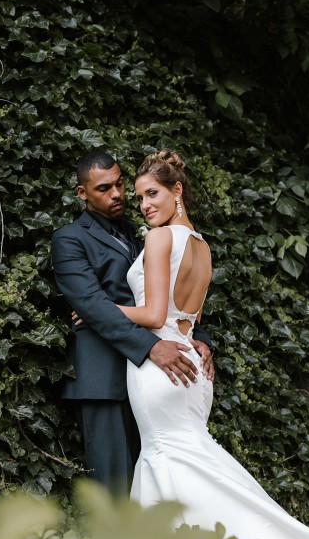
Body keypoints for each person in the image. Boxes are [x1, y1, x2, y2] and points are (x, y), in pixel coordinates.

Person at [120, 149, 309, 539]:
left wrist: (100, 310)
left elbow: (153, 315)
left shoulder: (160, 237)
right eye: (140, 199)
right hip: (194, 366)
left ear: (176, 190)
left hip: (161, 368)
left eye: (152, 194)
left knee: (166, 459)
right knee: (194, 462)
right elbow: (190, 317)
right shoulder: (201, 247)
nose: (145, 206)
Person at [51, 150, 214, 496]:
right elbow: (91, 304)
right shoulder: (68, 240)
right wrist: (151, 346)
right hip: (105, 378)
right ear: (83, 193)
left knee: (160, 484)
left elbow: (168, 294)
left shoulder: (145, 231)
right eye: (105, 188)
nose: (118, 195)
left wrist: (198, 338)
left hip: (157, 376)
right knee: (116, 491)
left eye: (121, 184)